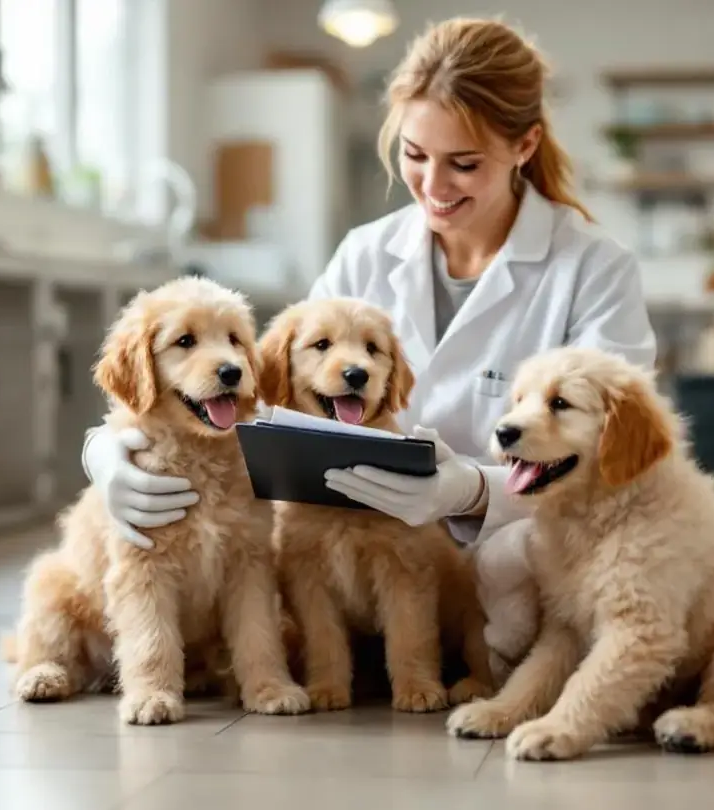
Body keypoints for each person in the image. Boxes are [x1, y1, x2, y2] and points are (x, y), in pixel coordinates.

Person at [81, 17, 656, 550]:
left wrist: (475, 490)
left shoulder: (593, 269)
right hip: (359, 552)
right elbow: (265, 393)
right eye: (415, 154)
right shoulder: (367, 254)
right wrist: (107, 449)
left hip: (518, 558)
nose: (433, 185)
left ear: (524, 146)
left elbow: (614, 464)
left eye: (464, 164)